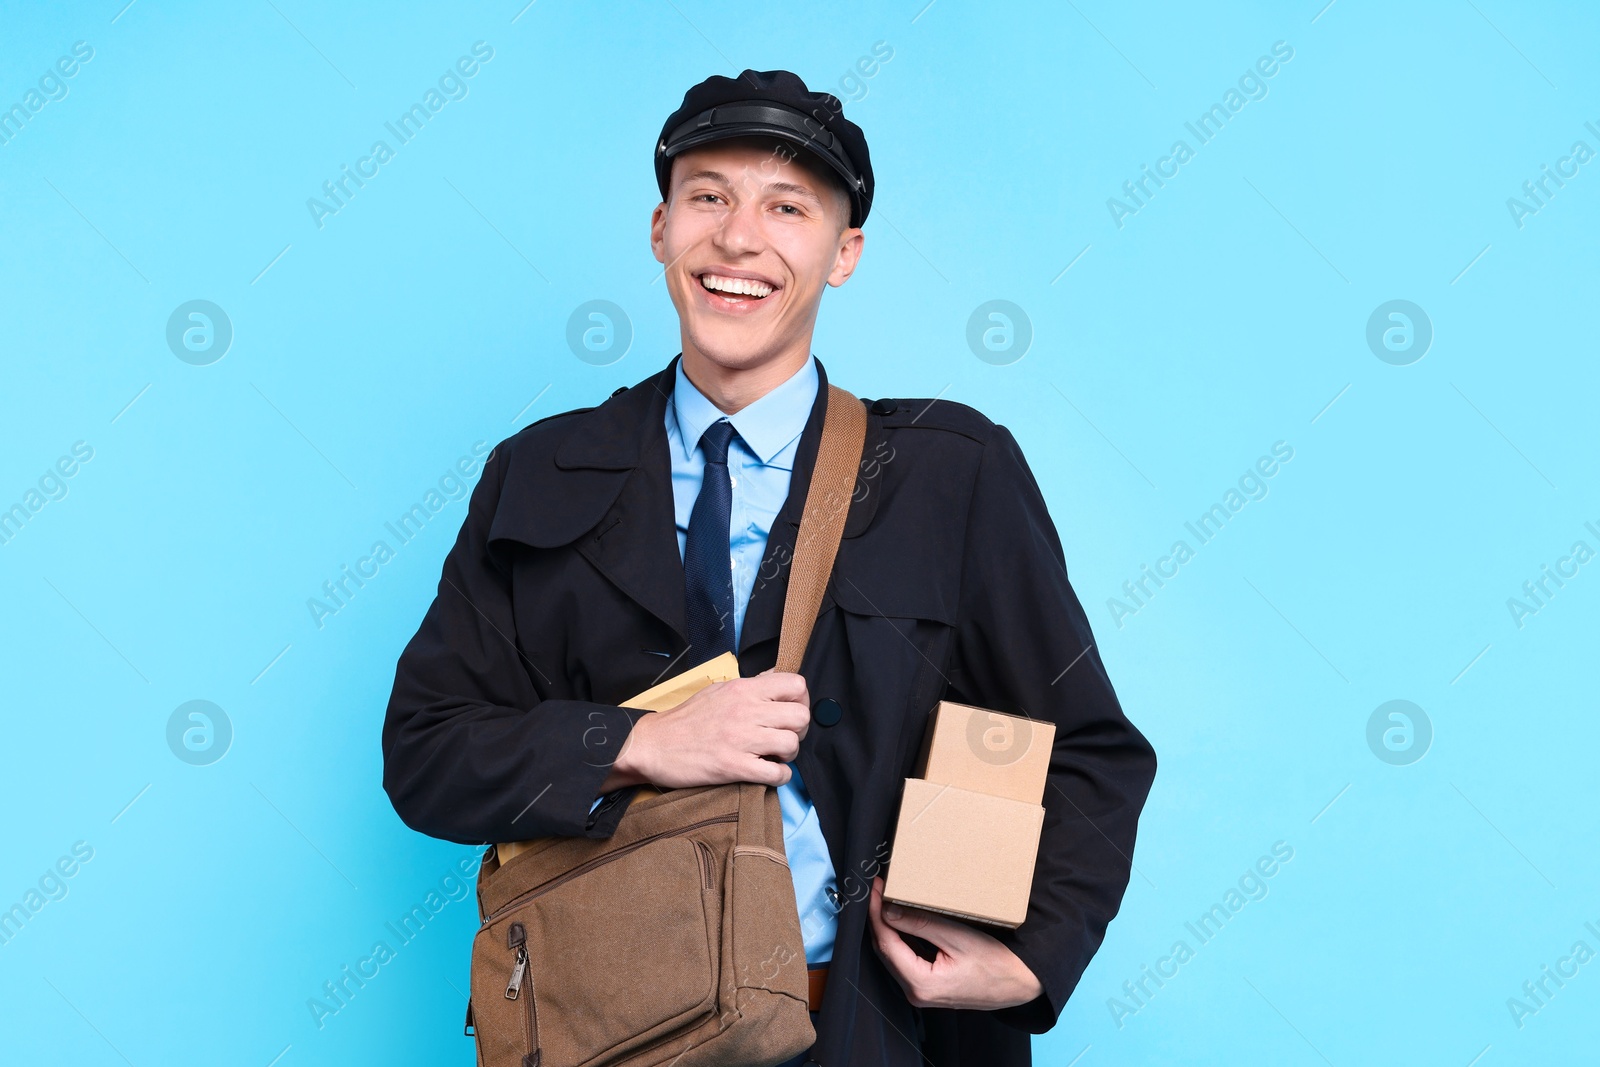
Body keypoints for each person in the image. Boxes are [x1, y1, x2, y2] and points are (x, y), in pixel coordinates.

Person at [382, 68, 1157, 1067]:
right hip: (616, 1038)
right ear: (661, 228)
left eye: (787, 207)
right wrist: (637, 742)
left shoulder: (949, 472)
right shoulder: (538, 471)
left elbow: (1084, 744)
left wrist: (1034, 958)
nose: (738, 238)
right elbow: (428, 754)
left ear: (844, 253)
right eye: (708, 195)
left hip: (886, 1037)